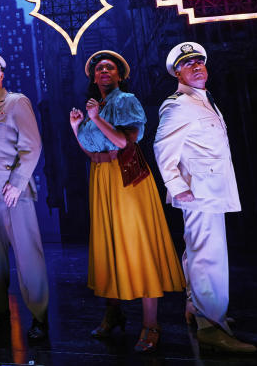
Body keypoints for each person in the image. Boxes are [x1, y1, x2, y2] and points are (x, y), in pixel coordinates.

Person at [69, 50, 184, 352]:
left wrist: (94, 119)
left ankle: (150, 324)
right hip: (102, 178)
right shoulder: (98, 105)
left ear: (120, 75)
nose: (104, 71)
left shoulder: (126, 101)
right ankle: (113, 312)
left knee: (139, 244)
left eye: (110, 68)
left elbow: (123, 142)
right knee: (108, 244)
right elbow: (93, 151)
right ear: (93, 77)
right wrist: (77, 129)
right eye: (99, 69)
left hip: (127, 179)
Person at [153, 42, 256, 353]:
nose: (197, 66)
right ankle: (211, 327)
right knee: (208, 257)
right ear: (177, 72)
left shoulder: (202, 100)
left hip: (208, 189)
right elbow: (163, 148)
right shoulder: (179, 104)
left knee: (198, 251)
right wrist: (176, 184)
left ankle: (197, 309)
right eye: (188, 63)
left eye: (200, 61)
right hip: (198, 192)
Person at [0, 51, 49, 342]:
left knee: (28, 258)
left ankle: (39, 316)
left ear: (1, 74)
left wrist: (17, 183)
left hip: (13, 193)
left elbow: (32, 145)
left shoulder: (16, 102)